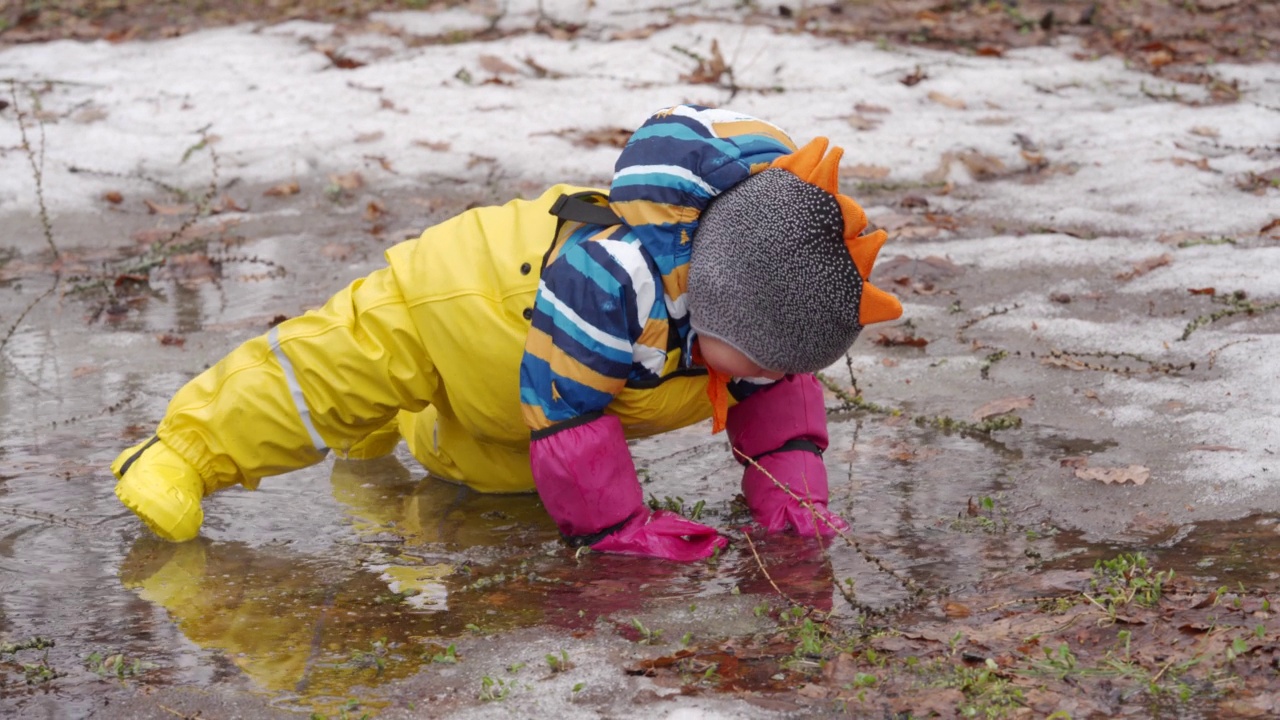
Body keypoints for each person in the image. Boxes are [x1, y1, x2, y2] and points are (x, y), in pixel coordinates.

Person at [110, 104, 902, 562]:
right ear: (721, 302)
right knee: (329, 376)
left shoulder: (764, 327)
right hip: (459, 306)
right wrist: (623, 535)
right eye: (761, 359)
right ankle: (184, 452)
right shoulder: (615, 279)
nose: (766, 375)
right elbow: (570, 415)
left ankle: (405, 433)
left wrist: (795, 502)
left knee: (490, 478)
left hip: (527, 401)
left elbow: (777, 404)